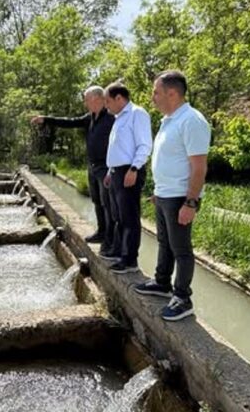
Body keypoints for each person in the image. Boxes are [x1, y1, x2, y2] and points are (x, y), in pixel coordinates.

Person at [134, 70, 211, 322]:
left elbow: (199, 167)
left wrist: (191, 202)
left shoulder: (192, 120)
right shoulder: (169, 120)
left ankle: (182, 298)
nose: (152, 97)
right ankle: (162, 282)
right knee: (164, 242)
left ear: (172, 93)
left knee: (181, 249)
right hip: (165, 194)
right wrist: (159, 192)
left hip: (181, 197)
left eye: (156, 92)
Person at [31, 86, 117, 253]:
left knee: (107, 204)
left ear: (97, 99)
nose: (85, 103)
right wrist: (46, 119)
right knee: (97, 201)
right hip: (93, 166)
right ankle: (101, 232)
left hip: (106, 167)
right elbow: (69, 122)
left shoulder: (111, 117)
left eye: (86, 99)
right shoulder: (90, 117)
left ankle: (110, 239)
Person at [102, 82, 152, 275]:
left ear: (119, 98)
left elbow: (144, 145)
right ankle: (119, 252)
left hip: (129, 171)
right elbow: (118, 148)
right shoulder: (118, 118)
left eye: (108, 101)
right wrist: (110, 172)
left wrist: (134, 168)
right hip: (116, 171)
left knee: (129, 216)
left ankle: (129, 260)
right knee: (119, 216)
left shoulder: (137, 114)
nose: (106, 105)